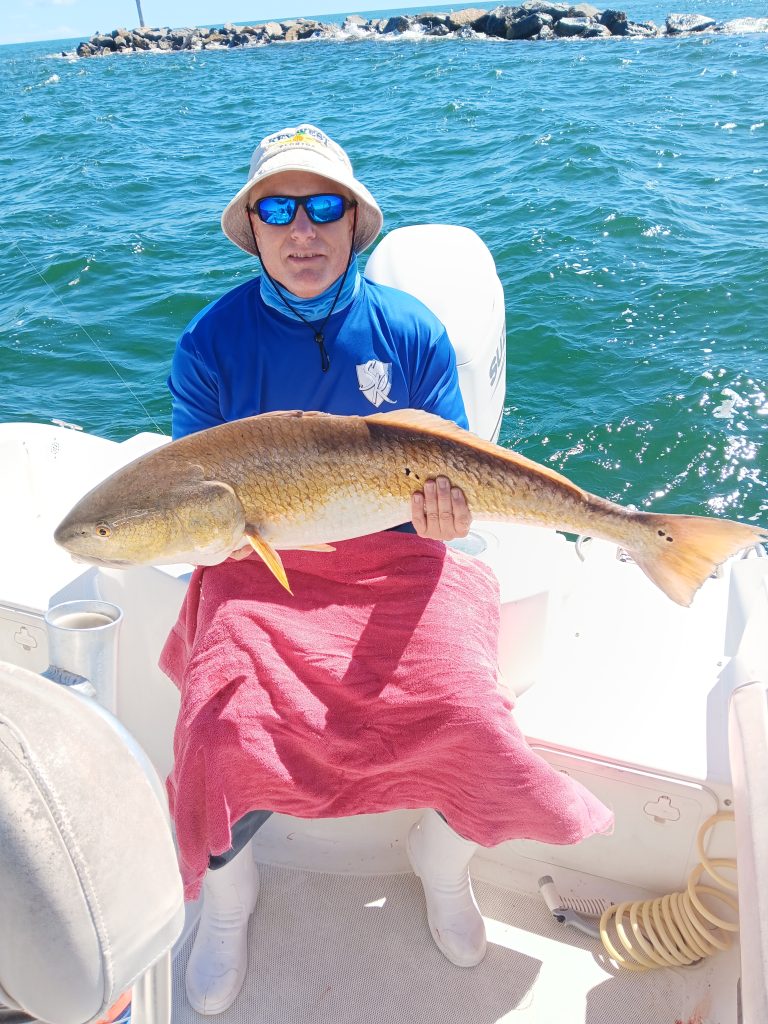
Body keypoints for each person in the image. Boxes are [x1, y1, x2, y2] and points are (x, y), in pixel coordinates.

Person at [163, 124, 612, 1015]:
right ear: (251, 227)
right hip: (269, 560)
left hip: (403, 552)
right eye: (278, 208)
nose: (303, 229)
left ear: (356, 222)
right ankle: (228, 899)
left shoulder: (410, 331)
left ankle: (443, 871)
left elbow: (450, 470)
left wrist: (444, 518)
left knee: (471, 712)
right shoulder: (209, 345)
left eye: (324, 205)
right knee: (220, 727)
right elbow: (195, 490)